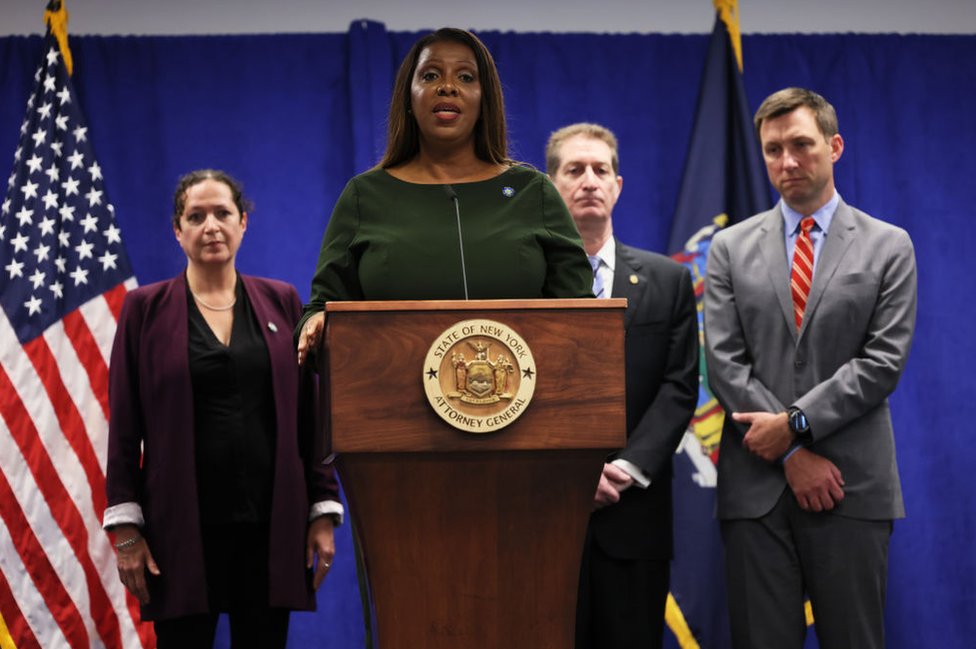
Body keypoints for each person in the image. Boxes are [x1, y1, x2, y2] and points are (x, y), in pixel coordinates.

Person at [703, 88, 917, 649]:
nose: (787, 161)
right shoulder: (727, 247)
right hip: (757, 492)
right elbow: (724, 362)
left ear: (834, 145)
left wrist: (795, 425)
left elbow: (882, 361)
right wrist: (794, 453)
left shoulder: (888, 246)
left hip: (852, 486)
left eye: (801, 144)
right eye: (773, 150)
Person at [103, 170, 344, 648]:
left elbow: (310, 418)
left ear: (243, 223)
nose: (210, 226)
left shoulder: (282, 301)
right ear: (178, 230)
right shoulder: (143, 311)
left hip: (271, 528)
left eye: (222, 214)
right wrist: (126, 531)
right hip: (180, 533)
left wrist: (321, 509)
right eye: (196, 216)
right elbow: (125, 427)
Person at [295, 27, 592, 359]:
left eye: (465, 77)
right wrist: (317, 321)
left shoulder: (532, 192)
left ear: (485, 99)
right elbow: (322, 306)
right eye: (431, 75)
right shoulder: (365, 195)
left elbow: (583, 317)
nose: (447, 87)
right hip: (391, 400)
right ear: (409, 97)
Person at [546, 123, 699, 649]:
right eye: (574, 170)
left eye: (600, 170)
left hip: (635, 521)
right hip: (544, 520)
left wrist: (625, 469)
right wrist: (571, 473)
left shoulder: (668, 280)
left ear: (618, 184)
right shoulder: (522, 285)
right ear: (551, 185)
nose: (589, 180)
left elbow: (680, 386)